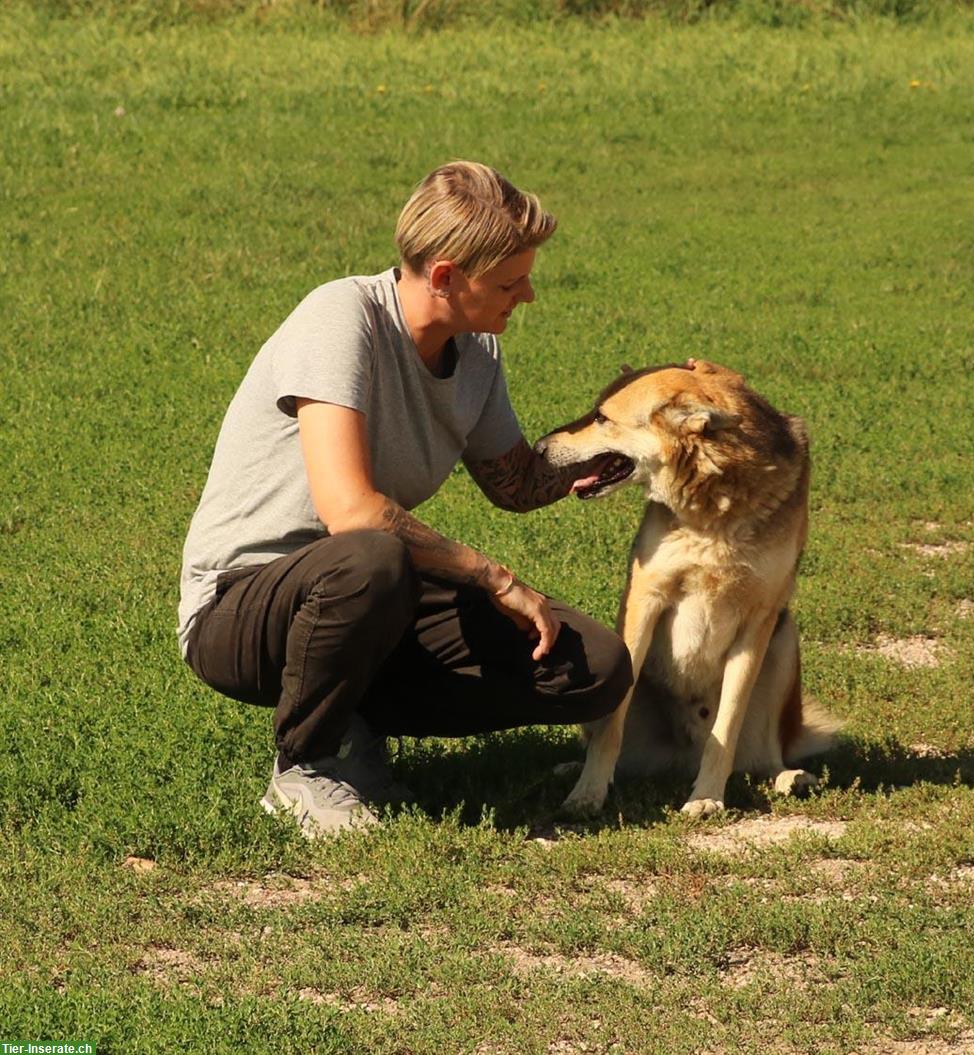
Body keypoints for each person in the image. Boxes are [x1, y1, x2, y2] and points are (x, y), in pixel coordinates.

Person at [177, 161, 633, 837]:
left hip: (366, 596)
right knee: (372, 557)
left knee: (595, 665)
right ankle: (305, 765)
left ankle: (351, 718)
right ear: (446, 277)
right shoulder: (341, 317)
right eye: (510, 281)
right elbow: (351, 511)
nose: (528, 294)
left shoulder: (473, 351)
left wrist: (622, 436)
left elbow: (514, 484)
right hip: (240, 607)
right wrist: (494, 579)